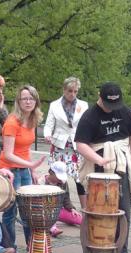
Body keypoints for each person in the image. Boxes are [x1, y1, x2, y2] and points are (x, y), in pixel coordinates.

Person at [75, 82, 131, 253]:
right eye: (108, 104)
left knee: (123, 209)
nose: (112, 108)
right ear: (100, 97)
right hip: (98, 168)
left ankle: (122, 250)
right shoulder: (90, 116)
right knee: (96, 209)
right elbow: (80, 143)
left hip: (121, 164)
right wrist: (98, 160)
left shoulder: (126, 112)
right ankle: (93, 249)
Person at [0, 85, 46, 253]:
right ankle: (12, 252)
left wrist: (31, 170)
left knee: (28, 212)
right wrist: (30, 164)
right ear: (18, 101)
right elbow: (9, 154)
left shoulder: (32, 120)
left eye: (31, 98)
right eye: (24, 98)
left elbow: (24, 149)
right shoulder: (12, 122)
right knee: (10, 212)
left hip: (23, 170)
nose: (28, 101)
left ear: (36, 101)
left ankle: (32, 248)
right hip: (9, 170)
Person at [44, 77, 89, 209]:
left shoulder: (84, 105)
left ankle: (85, 210)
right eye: (70, 91)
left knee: (80, 179)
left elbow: (86, 125)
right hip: (59, 146)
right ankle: (53, 209)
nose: (72, 94)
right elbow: (48, 125)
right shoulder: (54, 105)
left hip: (76, 146)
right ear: (64, 90)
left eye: (75, 91)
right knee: (56, 178)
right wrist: (47, 135)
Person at [38, 161, 83, 237]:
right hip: (45, 211)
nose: (60, 179)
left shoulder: (63, 182)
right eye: (58, 176)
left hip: (58, 210)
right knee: (49, 219)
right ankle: (53, 229)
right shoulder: (41, 182)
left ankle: (89, 224)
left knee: (78, 217)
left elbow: (66, 197)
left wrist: (71, 208)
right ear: (51, 173)